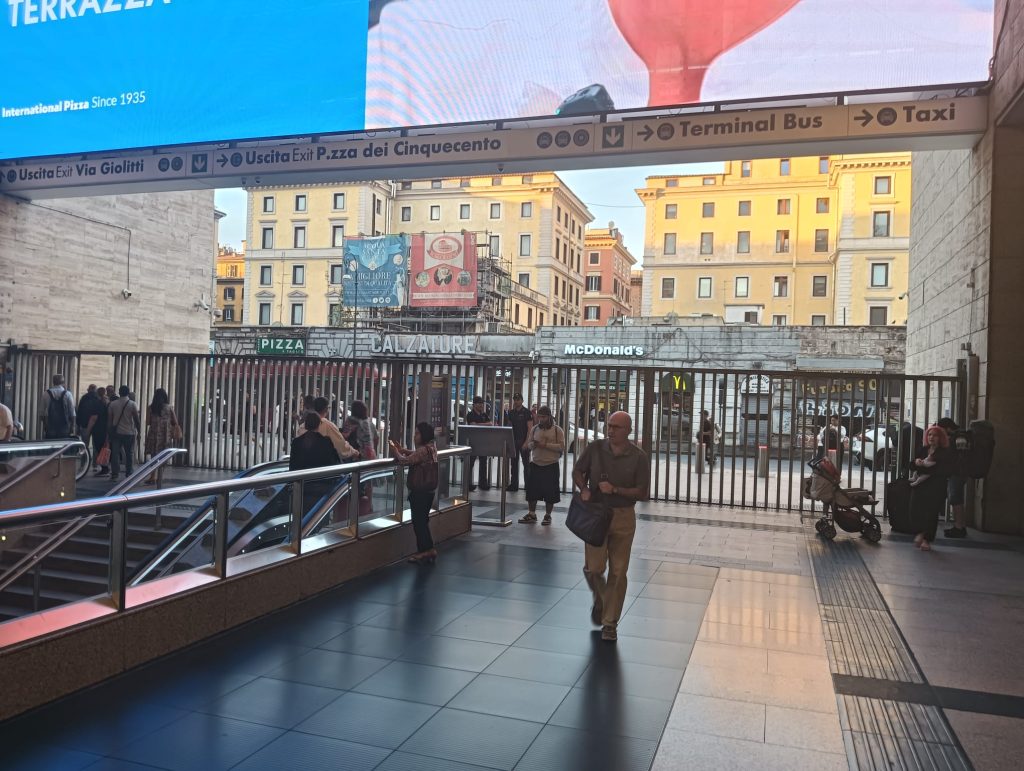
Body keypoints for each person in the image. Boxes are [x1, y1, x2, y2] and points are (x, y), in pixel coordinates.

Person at [572, 411, 651, 642]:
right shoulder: (596, 448)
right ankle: (601, 598)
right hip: (596, 514)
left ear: (628, 431)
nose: (611, 430)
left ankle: (610, 623)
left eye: (617, 427)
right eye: (610, 425)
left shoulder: (639, 457)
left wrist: (616, 490)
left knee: (618, 571)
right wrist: (584, 489)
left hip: (623, 517)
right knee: (594, 568)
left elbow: (642, 492)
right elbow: (578, 471)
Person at [390, 422, 439, 564]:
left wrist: (395, 451)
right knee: (423, 521)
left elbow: (405, 461)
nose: (415, 436)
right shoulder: (431, 447)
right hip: (429, 491)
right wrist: (404, 450)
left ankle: (424, 551)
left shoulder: (424, 450)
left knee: (419, 522)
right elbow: (416, 455)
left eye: (417, 433)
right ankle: (428, 549)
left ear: (423, 434)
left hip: (420, 491)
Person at [909, 424, 956, 551]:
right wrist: (917, 463)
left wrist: (925, 468)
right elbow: (912, 465)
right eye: (929, 435)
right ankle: (920, 532)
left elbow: (943, 470)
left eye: (935, 435)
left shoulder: (946, 452)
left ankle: (926, 539)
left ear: (940, 438)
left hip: (936, 487)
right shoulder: (923, 450)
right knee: (915, 509)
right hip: (921, 486)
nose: (931, 437)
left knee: (931, 513)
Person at [290, 412, 342, 516]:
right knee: (320, 516)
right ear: (319, 425)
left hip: (302, 486)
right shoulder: (326, 442)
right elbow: (333, 463)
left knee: (302, 517)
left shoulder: (297, 442)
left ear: (305, 424)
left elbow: (293, 466)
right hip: (322, 486)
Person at [520, 405, 564, 525]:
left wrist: (545, 445)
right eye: (539, 417)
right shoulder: (534, 429)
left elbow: (561, 447)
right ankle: (532, 513)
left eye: (543, 417)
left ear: (549, 417)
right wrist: (533, 445)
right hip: (536, 463)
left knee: (550, 492)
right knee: (532, 491)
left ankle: (548, 515)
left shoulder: (557, 430)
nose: (541, 419)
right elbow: (529, 444)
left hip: (551, 465)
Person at [297, 396, 360, 462]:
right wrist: (355, 453)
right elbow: (341, 447)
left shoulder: (303, 426)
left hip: (303, 464)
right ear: (326, 409)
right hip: (321, 465)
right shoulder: (328, 425)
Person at [937, 418, 968, 539]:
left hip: (958, 473)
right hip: (957, 473)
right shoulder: (956, 436)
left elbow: (961, 456)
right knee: (955, 498)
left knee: (955, 498)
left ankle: (959, 527)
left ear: (948, 428)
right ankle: (960, 526)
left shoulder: (959, 437)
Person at [143, 388, 181, 484]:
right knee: (164, 456)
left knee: (153, 456)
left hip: (153, 434)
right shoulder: (169, 408)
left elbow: (148, 422)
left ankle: (152, 476)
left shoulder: (151, 408)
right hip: (165, 435)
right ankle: (160, 476)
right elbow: (175, 422)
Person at [107, 385, 141, 482]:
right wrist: (139, 431)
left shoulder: (112, 404)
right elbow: (136, 420)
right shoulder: (132, 404)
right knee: (129, 453)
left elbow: (109, 421)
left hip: (116, 432)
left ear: (119, 392)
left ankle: (115, 474)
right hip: (129, 432)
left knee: (115, 454)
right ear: (128, 392)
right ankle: (129, 472)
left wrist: (109, 432)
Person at [503, 393, 533, 492]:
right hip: (514, 441)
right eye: (515, 399)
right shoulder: (511, 413)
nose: (516, 401)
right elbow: (509, 427)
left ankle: (528, 486)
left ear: (522, 400)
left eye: (518, 399)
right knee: (514, 464)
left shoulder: (527, 412)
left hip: (524, 441)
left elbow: (530, 428)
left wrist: (526, 442)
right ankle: (514, 485)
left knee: (526, 465)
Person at [466, 395, 493, 491]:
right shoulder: (470, 415)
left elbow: (490, 424)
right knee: (470, 463)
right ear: (474, 405)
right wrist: (483, 425)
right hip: (473, 442)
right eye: (479, 403)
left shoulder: (484, 414)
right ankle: (468, 484)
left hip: (482, 442)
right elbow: (472, 425)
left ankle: (483, 483)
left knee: (483, 463)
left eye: (482, 403)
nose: (481, 405)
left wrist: (478, 424)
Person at [39, 374, 76, 439]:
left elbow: (41, 413)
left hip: (50, 426)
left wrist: (45, 425)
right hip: (64, 426)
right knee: (64, 446)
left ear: (53, 382)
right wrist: (72, 427)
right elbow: (72, 412)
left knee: (50, 446)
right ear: (63, 382)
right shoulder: (67, 394)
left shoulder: (46, 393)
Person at [91, 388, 111, 476]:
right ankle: (107, 468)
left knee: (100, 448)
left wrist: (88, 430)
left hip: (99, 429)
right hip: (109, 428)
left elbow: (94, 418)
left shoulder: (97, 404)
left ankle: (104, 468)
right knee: (106, 448)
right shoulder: (109, 403)